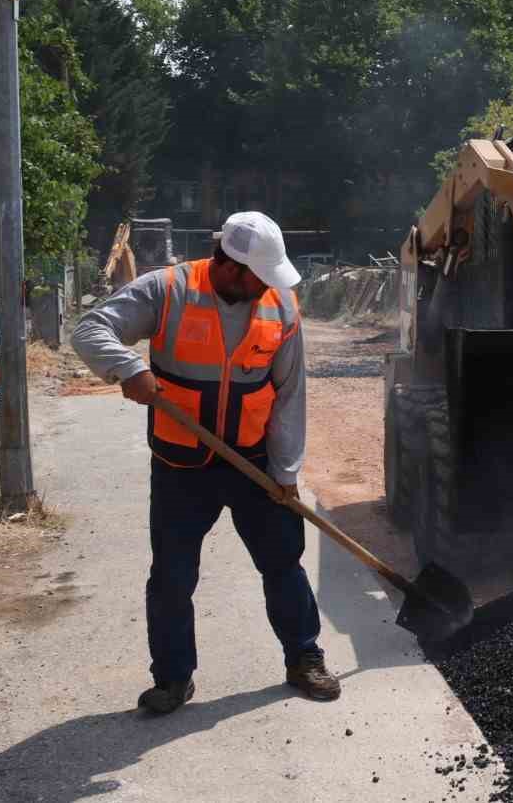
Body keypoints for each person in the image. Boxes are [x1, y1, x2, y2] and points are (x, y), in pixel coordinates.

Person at [72, 211, 339, 715]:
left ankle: (304, 657)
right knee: (172, 575)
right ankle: (173, 679)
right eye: (258, 278)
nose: (266, 288)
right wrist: (128, 368)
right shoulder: (167, 290)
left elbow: (289, 394)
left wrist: (285, 473)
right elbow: (91, 330)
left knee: (283, 562)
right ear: (231, 266)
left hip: (251, 460)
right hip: (181, 464)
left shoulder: (280, 304)